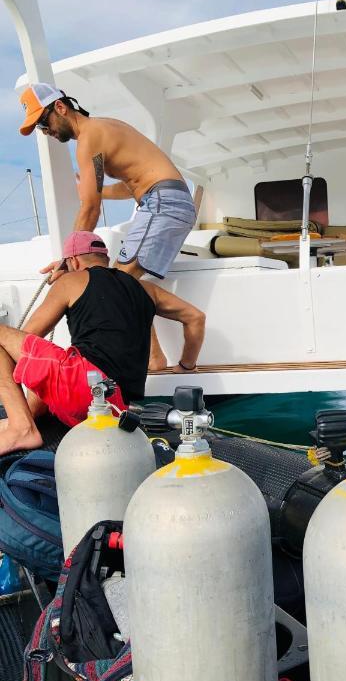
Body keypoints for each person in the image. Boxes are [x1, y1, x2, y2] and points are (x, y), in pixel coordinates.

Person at [19, 82, 198, 369]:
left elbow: (91, 207)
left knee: (116, 287)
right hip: (167, 200)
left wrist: (68, 260)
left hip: (163, 203)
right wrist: (94, 190)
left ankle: (156, 357)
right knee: (122, 283)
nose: (45, 132)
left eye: (43, 122)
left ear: (61, 108)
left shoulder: (89, 138)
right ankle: (155, 358)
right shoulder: (103, 128)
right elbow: (134, 186)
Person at [0, 231, 205, 456]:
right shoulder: (147, 289)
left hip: (82, 388)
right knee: (61, 358)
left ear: (73, 261)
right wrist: (186, 365)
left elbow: (29, 337)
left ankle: (21, 427)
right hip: (114, 409)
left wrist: (63, 280)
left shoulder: (71, 280)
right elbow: (195, 317)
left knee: (11, 339)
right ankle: (27, 416)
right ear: (105, 259)